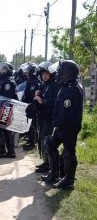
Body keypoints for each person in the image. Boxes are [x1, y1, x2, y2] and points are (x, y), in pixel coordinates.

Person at [41, 60, 83, 190]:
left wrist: (56, 122)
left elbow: (67, 111)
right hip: (61, 125)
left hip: (69, 126)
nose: (58, 74)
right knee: (50, 145)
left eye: (60, 71)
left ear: (67, 73)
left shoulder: (73, 88)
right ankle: (55, 173)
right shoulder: (67, 86)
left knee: (69, 151)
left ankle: (68, 180)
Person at [33, 61, 60, 173]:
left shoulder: (55, 85)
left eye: (46, 74)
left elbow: (56, 100)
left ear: (51, 74)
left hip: (50, 117)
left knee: (46, 140)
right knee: (41, 140)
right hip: (43, 117)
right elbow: (40, 97)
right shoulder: (44, 85)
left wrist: (42, 101)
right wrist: (37, 94)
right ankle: (45, 162)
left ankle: (50, 165)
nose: (44, 76)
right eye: (43, 74)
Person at [0, 62, 18, 159]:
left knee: (0, 130)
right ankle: (10, 152)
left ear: (8, 71)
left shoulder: (8, 82)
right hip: (6, 108)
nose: (1, 71)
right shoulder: (7, 80)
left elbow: (5, 98)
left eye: (4, 69)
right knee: (5, 131)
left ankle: (3, 152)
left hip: (6, 108)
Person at [21, 62, 41, 151]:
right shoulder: (30, 82)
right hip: (29, 106)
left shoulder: (35, 83)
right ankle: (30, 140)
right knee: (29, 123)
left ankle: (33, 143)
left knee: (33, 124)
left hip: (33, 107)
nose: (26, 73)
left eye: (28, 71)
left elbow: (33, 96)